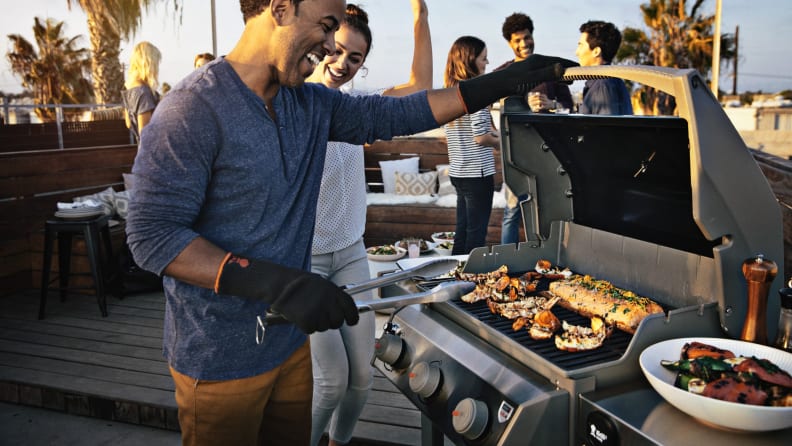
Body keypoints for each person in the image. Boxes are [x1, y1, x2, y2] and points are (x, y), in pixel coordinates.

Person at [125, 0, 575, 443]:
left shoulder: (309, 103)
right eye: (324, 27)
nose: (328, 46)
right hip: (220, 357)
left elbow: (399, 113)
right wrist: (274, 283)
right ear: (280, 8)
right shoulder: (192, 108)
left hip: (289, 345)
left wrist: (499, 82)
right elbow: (152, 235)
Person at [305, 2, 432, 445]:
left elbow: (421, 86)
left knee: (364, 377)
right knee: (332, 381)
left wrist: (421, 17)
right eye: (335, 51)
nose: (342, 64)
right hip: (308, 265)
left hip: (352, 256)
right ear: (320, 44)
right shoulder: (295, 105)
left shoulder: (359, 108)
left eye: (354, 58)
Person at [496, 12, 574, 245]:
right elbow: (491, 111)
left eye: (527, 37)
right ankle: (506, 264)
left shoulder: (550, 69)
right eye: (517, 40)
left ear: (532, 36)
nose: (523, 44)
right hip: (516, 156)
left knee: (552, 211)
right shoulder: (501, 74)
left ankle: (549, 260)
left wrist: (553, 105)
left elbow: (570, 108)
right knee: (511, 213)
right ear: (510, 43)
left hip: (550, 155)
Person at [442, 36, 501, 255]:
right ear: (470, 60)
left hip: (459, 173)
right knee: (476, 236)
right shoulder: (477, 92)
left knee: (463, 232)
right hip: (478, 174)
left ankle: (454, 281)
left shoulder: (449, 91)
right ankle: (471, 284)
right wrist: (503, 144)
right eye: (483, 59)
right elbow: (481, 137)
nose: (487, 63)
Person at [576, 20, 633, 115]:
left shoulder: (602, 86)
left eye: (581, 46)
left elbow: (606, 128)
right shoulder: (610, 81)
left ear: (596, 51)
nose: (577, 52)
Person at [121, 41, 161, 142]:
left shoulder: (128, 88)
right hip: (153, 151)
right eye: (156, 62)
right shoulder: (143, 92)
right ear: (149, 62)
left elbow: (128, 123)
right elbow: (145, 132)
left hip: (141, 150)